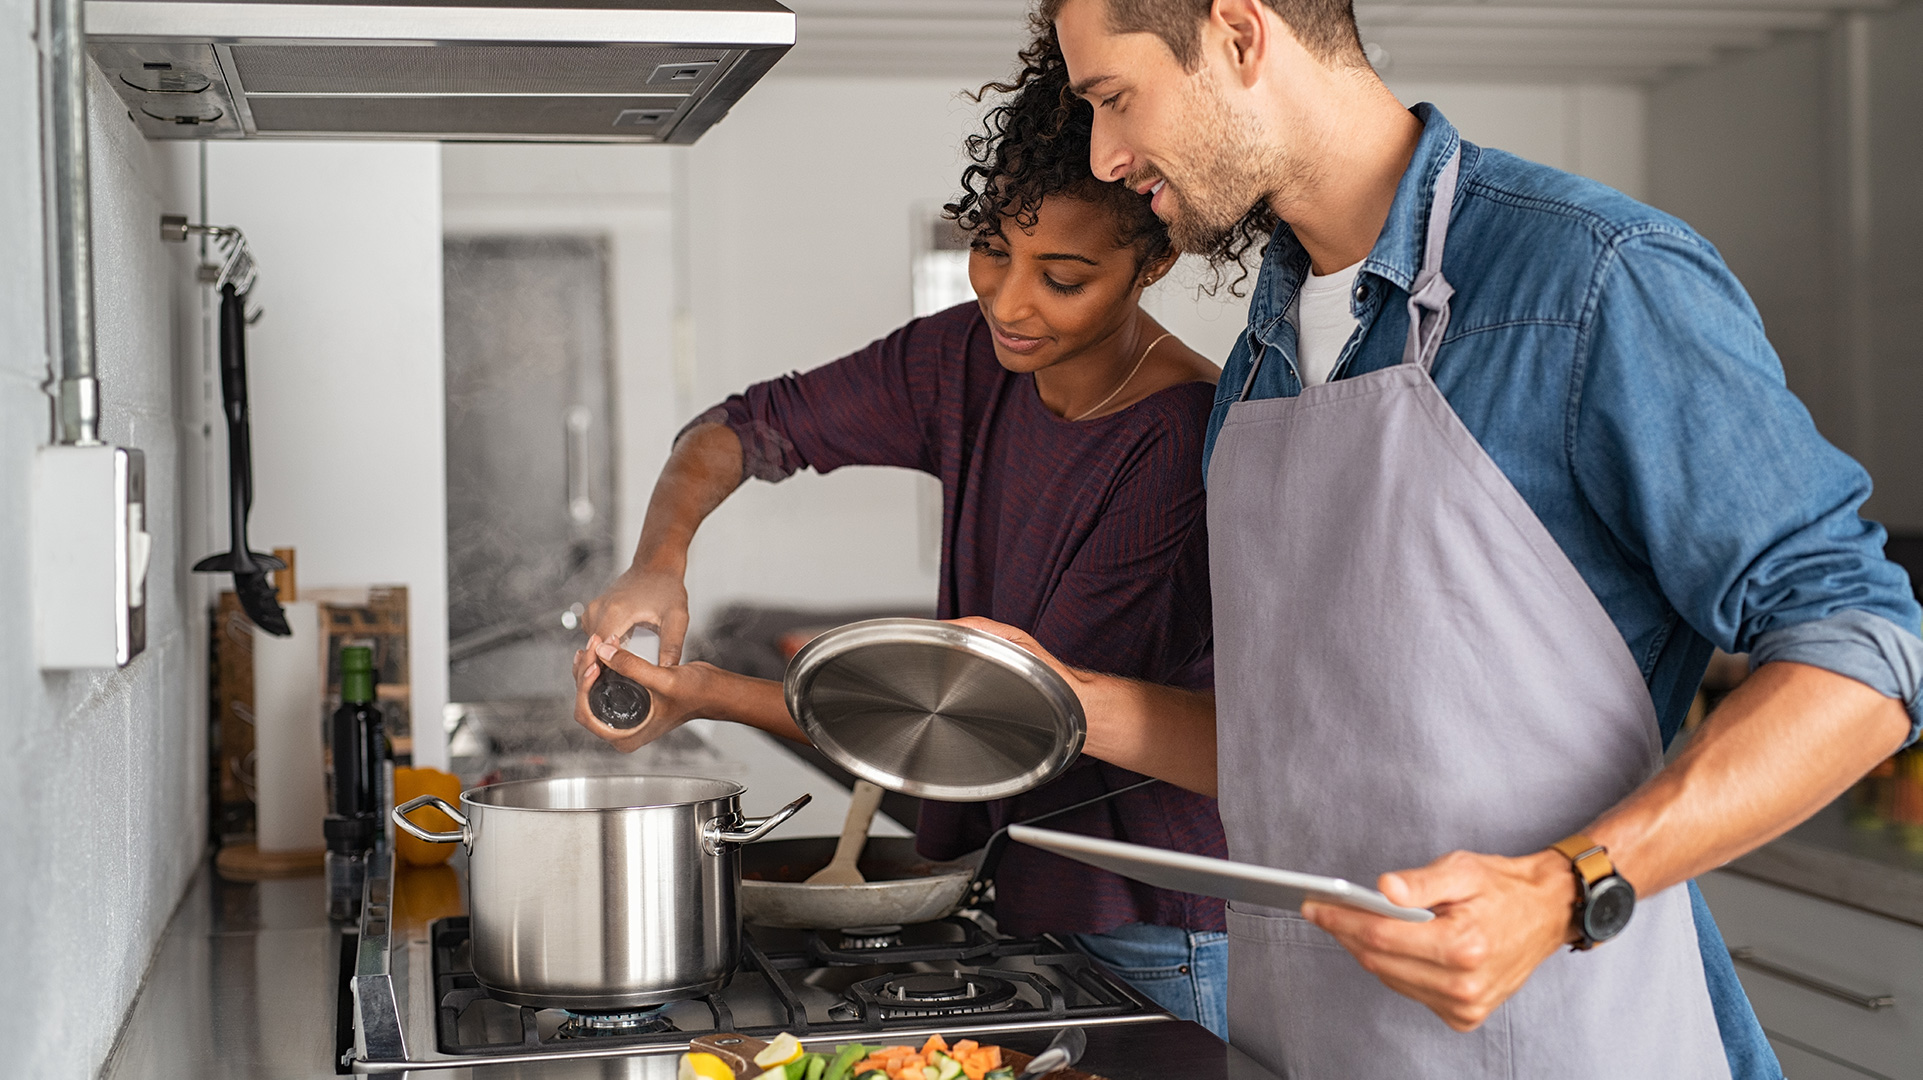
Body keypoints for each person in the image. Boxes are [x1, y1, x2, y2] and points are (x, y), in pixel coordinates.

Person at [948, 2, 1923, 1078]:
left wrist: (1565, 887)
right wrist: (1055, 700)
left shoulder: (1591, 278)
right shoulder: (1262, 361)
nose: (1106, 154)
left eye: (1115, 99)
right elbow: (1306, 756)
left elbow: (1863, 649)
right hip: (1311, 1042)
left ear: (1238, 32)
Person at [570, 43, 1236, 1036]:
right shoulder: (967, 355)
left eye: (1062, 278)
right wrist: (657, 561)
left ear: (1154, 262)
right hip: (1032, 889)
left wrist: (710, 693)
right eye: (992, 249)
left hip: (1160, 924)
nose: (1009, 302)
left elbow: (1003, 731)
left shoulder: (1175, 439)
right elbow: (744, 429)